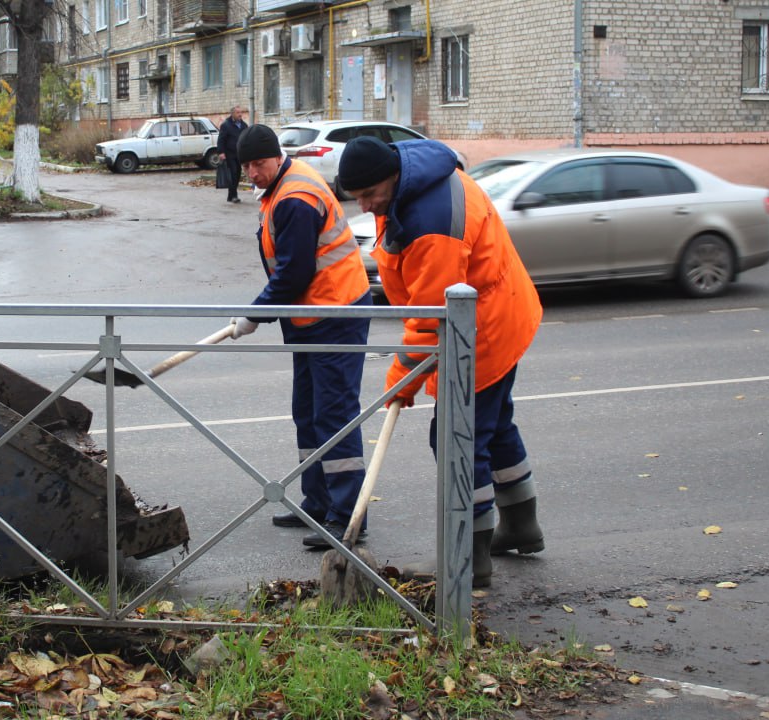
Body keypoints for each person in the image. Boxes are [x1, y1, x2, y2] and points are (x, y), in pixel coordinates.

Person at [337, 135, 544, 587]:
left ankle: (467, 557)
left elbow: (433, 319)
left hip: (481, 332)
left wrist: (402, 381)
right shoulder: (413, 177)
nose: (366, 206)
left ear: (392, 176)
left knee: (456, 440)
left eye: (370, 194)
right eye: (357, 197)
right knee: (495, 426)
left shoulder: (433, 224)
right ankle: (520, 524)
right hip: (500, 312)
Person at [229, 124, 374, 549]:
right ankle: (318, 503)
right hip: (312, 315)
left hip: (336, 313)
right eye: (246, 166)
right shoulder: (280, 187)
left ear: (277, 157)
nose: (252, 173)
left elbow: (294, 272)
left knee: (334, 415)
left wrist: (256, 314)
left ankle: (347, 517)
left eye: (259, 164)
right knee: (308, 412)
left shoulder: (295, 197)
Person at [216, 106, 248, 203]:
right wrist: (221, 152)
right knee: (233, 173)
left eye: (241, 112)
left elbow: (246, 139)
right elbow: (221, 139)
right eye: (238, 112)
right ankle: (234, 195)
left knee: (238, 174)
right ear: (232, 114)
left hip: (240, 154)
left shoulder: (244, 125)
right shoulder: (226, 125)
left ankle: (230, 196)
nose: (240, 114)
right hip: (229, 154)